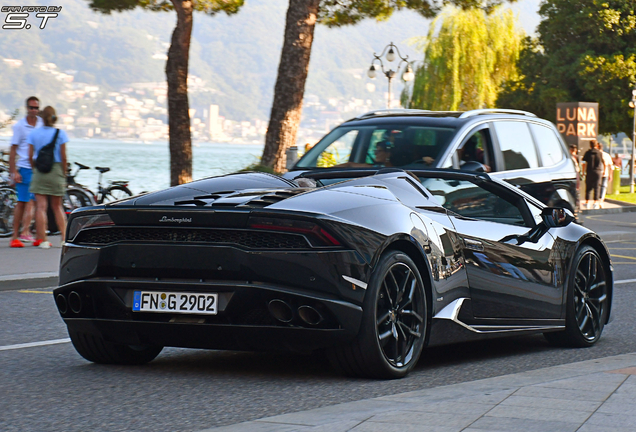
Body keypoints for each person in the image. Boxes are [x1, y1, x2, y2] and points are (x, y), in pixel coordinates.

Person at [27, 106, 68, 249]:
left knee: (41, 207)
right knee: (57, 206)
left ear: (41, 118)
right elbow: (63, 156)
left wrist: (35, 169)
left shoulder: (34, 134)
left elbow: (30, 156)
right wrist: (64, 173)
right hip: (56, 169)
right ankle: (64, 238)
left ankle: (43, 240)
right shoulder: (60, 133)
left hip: (40, 171)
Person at [8, 96, 43, 248]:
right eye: (31, 107)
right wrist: (13, 171)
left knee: (37, 202)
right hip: (24, 168)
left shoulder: (42, 124)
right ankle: (15, 236)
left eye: (36, 108)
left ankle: (33, 234)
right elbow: (13, 149)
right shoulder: (20, 126)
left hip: (39, 169)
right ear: (26, 108)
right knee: (21, 203)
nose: (34, 110)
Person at [581, 140, 604, 209]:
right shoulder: (599, 153)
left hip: (589, 171)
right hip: (598, 171)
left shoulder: (587, 153)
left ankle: (587, 202)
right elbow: (602, 162)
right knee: (597, 187)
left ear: (590, 145)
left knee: (588, 187)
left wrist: (583, 172)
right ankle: (595, 202)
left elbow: (584, 163)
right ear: (596, 145)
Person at [598, 141, 614, 206]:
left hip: (598, 173)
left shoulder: (597, 154)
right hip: (605, 173)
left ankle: (598, 199)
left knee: (598, 186)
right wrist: (611, 174)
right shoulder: (607, 155)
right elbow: (611, 166)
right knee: (603, 186)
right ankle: (601, 199)